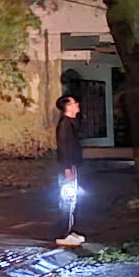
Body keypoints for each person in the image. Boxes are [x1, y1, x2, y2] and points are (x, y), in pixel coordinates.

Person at [53, 92, 85, 240]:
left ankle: (69, 230)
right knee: (67, 200)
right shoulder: (65, 125)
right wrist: (67, 169)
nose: (77, 104)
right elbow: (63, 148)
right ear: (68, 106)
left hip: (72, 166)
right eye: (74, 103)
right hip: (67, 168)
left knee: (72, 201)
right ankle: (63, 233)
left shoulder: (71, 124)